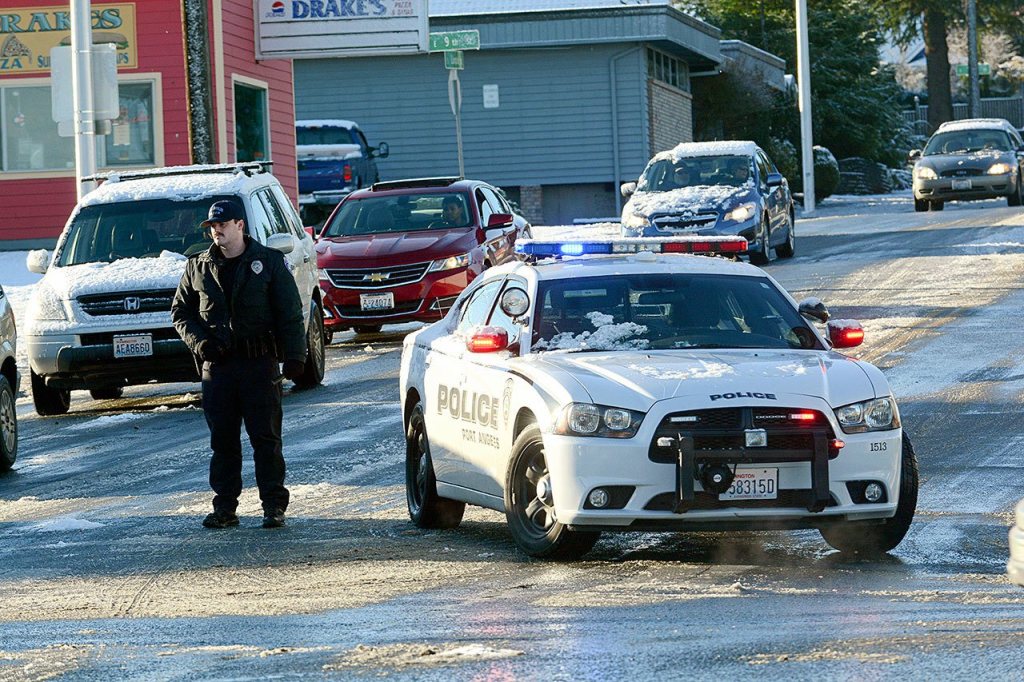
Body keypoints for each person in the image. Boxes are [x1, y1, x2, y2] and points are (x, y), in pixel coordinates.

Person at [171, 200, 306, 530]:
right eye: (212, 226)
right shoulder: (198, 268)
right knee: (223, 443)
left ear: (240, 225)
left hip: (259, 365)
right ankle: (225, 508)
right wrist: (199, 342)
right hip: (218, 369)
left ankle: (273, 506)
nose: (216, 230)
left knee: (266, 439)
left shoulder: (269, 263)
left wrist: (295, 356)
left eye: (222, 224)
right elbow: (181, 313)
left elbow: (290, 313)